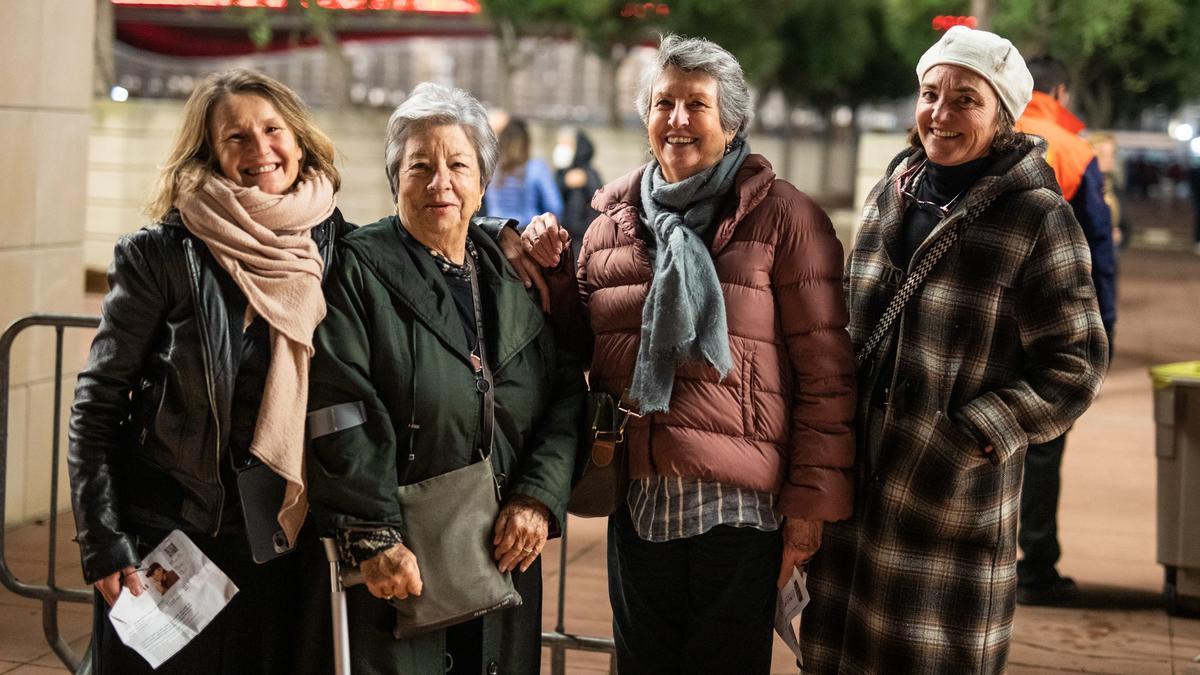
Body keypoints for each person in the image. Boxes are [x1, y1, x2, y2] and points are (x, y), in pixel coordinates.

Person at [515, 34, 856, 673]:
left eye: (695, 105)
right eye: (663, 103)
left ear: (731, 123)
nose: (676, 120)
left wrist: (809, 511)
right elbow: (580, 350)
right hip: (640, 502)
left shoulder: (786, 220)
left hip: (743, 514)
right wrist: (553, 274)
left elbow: (826, 378)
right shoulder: (609, 228)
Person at [801, 26, 1109, 673]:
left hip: (948, 509)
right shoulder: (892, 193)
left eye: (965, 99)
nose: (940, 114)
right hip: (854, 505)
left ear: (1002, 114)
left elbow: (1076, 365)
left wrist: (972, 435)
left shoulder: (1037, 216)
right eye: (930, 94)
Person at [68, 68, 350, 674]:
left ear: (299, 139)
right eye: (236, 138)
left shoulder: (335, 243)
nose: (260, 151)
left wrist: (507, 237)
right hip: (176, 535)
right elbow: (96, 405)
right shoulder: (160, 254)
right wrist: (102, 541)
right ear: (210, 152)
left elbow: (427, 241)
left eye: (272, 130)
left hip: (283, 542)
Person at [304, 82, 584, 674]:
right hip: (404, 554)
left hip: (505, 546)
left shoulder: (514, 277)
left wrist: (538, 497)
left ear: (483, 181)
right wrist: (371, 533)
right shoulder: (358, 269)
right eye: (419, 166)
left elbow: (564, 396)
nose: (440, 183)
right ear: (394, 180)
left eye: (458, 164)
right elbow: (338, 406)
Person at [1013, 55, 1117, 606]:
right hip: (1054, 321)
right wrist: (1105, 328)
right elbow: (1100, 250)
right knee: (1044, 444)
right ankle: (1036, 566)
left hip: (987, 320)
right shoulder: (1074, 149)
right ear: (1060, 88)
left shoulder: (988, 130)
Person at [482, 118, 563, 225]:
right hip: (526, 231)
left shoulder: (492, 168)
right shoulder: (536, 168)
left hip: (493, 231)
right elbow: (555, 206)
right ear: (527, 142)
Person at [552, 127, 603, 260]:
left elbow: (600, 201)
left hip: (584, 238)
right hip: (561, 237)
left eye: (567, 144)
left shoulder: (589, 173)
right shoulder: (560, 173)